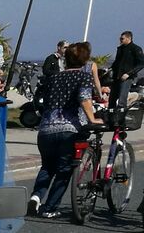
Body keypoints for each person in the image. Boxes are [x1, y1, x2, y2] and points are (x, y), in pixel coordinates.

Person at [28, 41, 100, 218]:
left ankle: (36, 197)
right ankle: (50, 208)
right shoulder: (83, 77)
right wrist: (92, 119)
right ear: (85, 60)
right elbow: (84, 98)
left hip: (46, 129)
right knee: (64, 170)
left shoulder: (53, 78)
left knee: (47, 166)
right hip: (69, 129)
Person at [113, 30, 142, 108]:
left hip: (127, 77)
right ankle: (111, 113)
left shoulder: (135, 49)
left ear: (128, 38)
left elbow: (141, 64)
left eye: (122, 38)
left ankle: (121, 113)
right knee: (112, 97)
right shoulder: (120, 49)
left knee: (122, 98)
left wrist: (129, 73)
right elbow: (117, 62)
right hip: (117, 76)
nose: (120, 40)